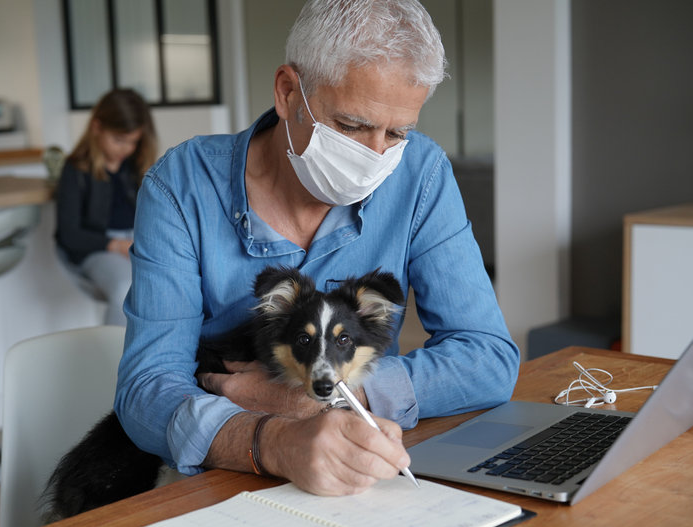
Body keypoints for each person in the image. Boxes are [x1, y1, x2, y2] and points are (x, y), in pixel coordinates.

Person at [115, 0, 520, 496]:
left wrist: (326, 395)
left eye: (397, 133)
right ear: (288, 92)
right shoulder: (181, 187)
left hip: (357, 463)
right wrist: (274, 441)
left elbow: (487, 357)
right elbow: (146, 390)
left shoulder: (421, 174)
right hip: (218, 478)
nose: (375, 158)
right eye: (350, 126)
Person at [54, 89, 158, 326]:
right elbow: (69, 234)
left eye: (133, 142)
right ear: (97, 127)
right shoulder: (75, 171)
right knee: (125, 287)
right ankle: (113, 360)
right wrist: (117, 245)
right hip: (98, 249)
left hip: (136, 244)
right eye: (119, 140)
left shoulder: (136, 167)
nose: (126, 149)